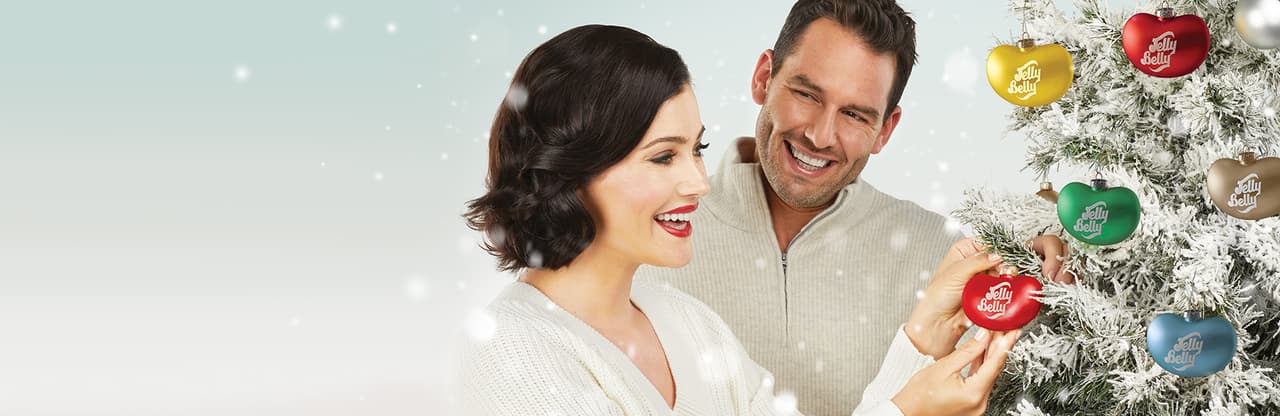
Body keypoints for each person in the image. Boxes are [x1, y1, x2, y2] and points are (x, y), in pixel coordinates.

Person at [459, 24, 1021, 416]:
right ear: (573, 169)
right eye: (663, 156)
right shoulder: (514, 351)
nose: (699, 182)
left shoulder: (687, 323)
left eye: (696, 149)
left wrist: (924, 335)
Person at [634, 1, 1072, 415]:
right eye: (807, 94)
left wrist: (1045, 255)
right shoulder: (644, 240)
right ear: (764, 77)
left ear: (886, 129)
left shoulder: (945, 261)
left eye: (855, 116)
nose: (821, 136)